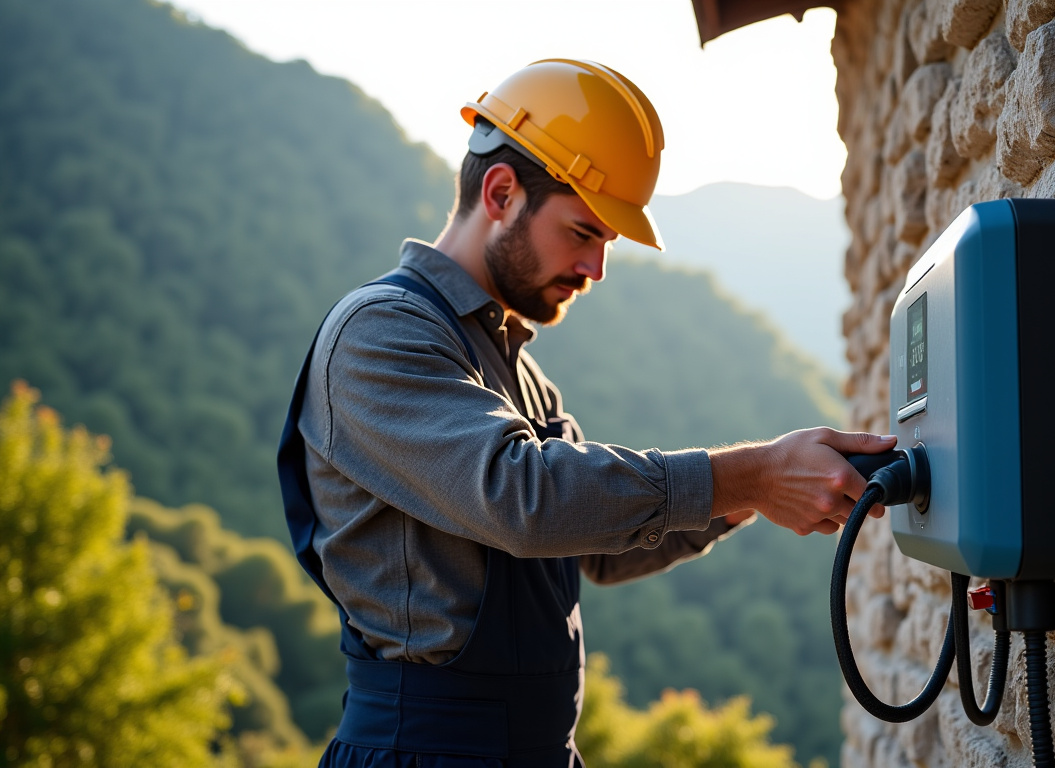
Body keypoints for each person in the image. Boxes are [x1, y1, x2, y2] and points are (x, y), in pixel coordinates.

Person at [277, 59, 895, 768]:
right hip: (422, 753)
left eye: (606, 242)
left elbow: (594, 548)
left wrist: (754, 494)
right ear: (501, 193)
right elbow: (525, 500)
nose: (596, 268)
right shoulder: (380, 332)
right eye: (582, 232)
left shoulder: (518, 372)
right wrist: (752, 474)